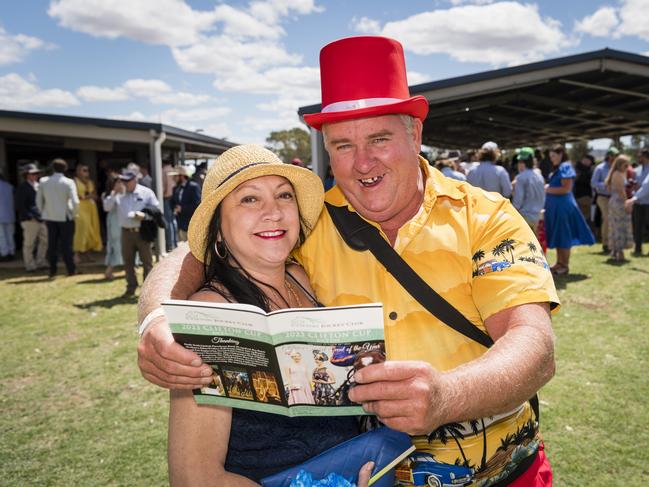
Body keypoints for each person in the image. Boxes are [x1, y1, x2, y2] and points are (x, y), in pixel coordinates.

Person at [137, 36, 557, 486]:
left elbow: (533, 345)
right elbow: (205, 251)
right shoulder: (311, 224)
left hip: (506, 474)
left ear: (415, 133)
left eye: (379, 138)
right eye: (342, 145)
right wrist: (155, 321)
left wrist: (448, 396)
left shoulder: (486, 215)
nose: (362, 163)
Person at [166, 144, 360, 485]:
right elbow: (194, 476)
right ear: (219, 229)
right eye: (249, 199)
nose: (274, 212)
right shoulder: (212, 316)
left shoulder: (303, 279)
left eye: (284, 196)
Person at [103, 169, 159, 297]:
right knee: (128, 262)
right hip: (126, 232)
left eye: (127, 181)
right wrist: (113, 193)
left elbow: (156, 209)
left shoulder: (146, 192)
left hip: (142, 231)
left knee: (147, 262)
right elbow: (107, 207)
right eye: (123, 181)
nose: (124, 183)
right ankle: (131, 287)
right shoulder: (119, 193)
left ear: (134, 180)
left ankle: (147, 291)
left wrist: (144, 216)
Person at [544, 144, 595, 274]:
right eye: (550, 157)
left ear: (561, 154)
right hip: (556, 208)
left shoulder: (565, 166)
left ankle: (564, 266)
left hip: (563, 208)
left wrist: (547, 189)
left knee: (564, 236)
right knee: (558, 235)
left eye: (554, 156)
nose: (552, 159)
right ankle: (559, 263)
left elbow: (566, 188)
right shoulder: (558, 167)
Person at [37, 158, 79, 277]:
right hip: (65, 217)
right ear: (65, 169)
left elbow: (38, 200)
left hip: (50, 217)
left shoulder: (44, 181)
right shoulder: (68, 182)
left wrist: (43, 213)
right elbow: (75, 201)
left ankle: (52, 270)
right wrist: (74, 214)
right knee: (67, 245)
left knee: (52, 244)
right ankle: (71, 269)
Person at [15, 163, 48, 271]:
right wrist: (29, 216)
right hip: (30, 220)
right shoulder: (22, 187)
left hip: (41, 218)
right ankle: (30, 265)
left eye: (36, 173)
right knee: (29, 243)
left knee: (45, 240)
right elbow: (20, 205)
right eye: (33, 173)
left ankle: (41, 262)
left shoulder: (39, 186)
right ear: (27, 175)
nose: (35, 175)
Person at [605, 155, 634, 262]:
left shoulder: (620, 173)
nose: (627, 167)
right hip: (618, 202)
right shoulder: (617, 174)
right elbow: (621, 191)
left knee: (616, 225)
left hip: (617, 202)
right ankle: (619, 251)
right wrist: (627, 203)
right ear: (619, 164)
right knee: (618, 226)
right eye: (625, 165)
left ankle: (615, 250)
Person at [73, 163, 103, 262]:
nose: (86, 172)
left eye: (87, 170)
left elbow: (95, 195)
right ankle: (77, 254)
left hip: (91, 208)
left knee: (91, 229)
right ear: (78, 171)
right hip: (80, 207)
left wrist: (91, 196)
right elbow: (74, 196)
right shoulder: (74, 181)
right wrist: (86, 197)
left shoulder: (90, 182)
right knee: (82, 230)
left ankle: (87, 253)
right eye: (84, 170)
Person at [591, 147, 619, 253]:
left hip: (614, 197)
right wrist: (605, 185)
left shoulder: (617, 168)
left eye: (615, 156)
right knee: (607, 218)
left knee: (614, 220)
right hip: (602, 197)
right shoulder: (600, 168)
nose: (614, 158)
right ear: (608, 156)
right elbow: (593, 183)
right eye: (612, 155)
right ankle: (606, 244)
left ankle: (613, 243)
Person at [512, 147, 545, 232]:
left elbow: (517, 202)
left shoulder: (520, 177)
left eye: (520, 162)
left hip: (525, 218)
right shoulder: (540, 176)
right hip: (538, 217)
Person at [101, 172, 123, 280]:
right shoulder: (108, 195)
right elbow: (107, 208)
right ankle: (109, 270)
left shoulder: (125, 194)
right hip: (114, 223)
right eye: (118, 182)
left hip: (124, 223)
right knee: (115, 245)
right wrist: (114, 194)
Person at [171, 166, 201, 242]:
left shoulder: (193, 187)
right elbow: (173, 202)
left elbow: (198, 205)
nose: (173, 178)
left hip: (191, 224)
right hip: (180, 224)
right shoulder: (176, 188)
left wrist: (182, 208)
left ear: (182, 176)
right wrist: (174, 208)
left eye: (175, 176)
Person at [627, 149, 649, 255]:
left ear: (645, 157)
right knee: (638, 226)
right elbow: (633, 184)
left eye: (640, 156)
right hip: (638, 201)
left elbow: (646, 186)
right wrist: (633, 185)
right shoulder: (636, 170)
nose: (638, 158)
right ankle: (638, 248)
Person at [573, 154, 594, 225]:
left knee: (583, 217)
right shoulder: (579, 169)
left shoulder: (578, 168)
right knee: (584, 217)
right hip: (581, 196)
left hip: (582, 196)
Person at [0, 171, 15, 262]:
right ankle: (11, 252)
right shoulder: (9, 186)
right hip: (10, 214)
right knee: (10, 235)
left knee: (1, 236)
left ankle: (4, 253)